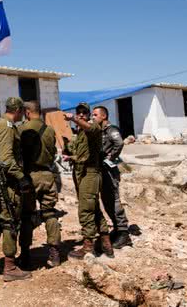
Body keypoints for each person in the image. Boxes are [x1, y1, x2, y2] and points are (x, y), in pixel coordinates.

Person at [0, 97, 33, 282]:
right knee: (10, 222)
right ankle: (9, 267)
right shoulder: (7, 127)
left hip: (3, 183)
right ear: (18, 110)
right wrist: (22, 178)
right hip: (8, 184)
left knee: (0, 222)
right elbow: (7, 159)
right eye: (22, 111)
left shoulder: (1, 124)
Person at [64, 103, 113, 259]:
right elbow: (81, 154)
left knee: (85, 210)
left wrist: (73, 119)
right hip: (82, 172)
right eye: (78, 112)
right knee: (93, 209)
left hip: (90, 174)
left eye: (86, 113)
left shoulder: (94, 128)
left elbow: (90, 128)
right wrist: (70, 155)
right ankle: (106, 243)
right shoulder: (81, 133)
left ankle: (88, 247)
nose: (82, 115)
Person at [19, 101, 62, 267]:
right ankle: (55, 253)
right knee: (50, 213)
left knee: (27, 215)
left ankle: (25, 255)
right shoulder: (49, 130)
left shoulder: (22, 129)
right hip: (47, 174)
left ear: (28, 112)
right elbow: (52, 153)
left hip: (29, 176)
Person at [92, 106, 132, 249]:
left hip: (110, 171)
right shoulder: (99, 131)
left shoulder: (111, 129)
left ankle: (123, 233)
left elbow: (119, 143)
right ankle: (117, 228)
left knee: (114, 201)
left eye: (95, 114)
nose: (92, 117)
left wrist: (110, 157)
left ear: (103, 116)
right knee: (107, 201)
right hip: (102, 171)